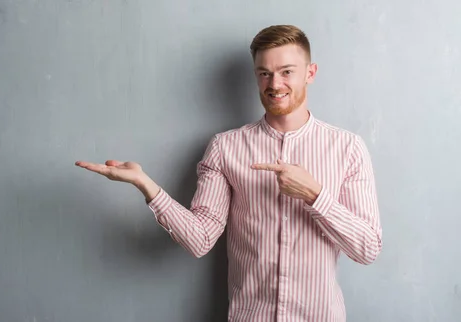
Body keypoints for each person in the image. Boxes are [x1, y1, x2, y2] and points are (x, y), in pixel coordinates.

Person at [75, 24, 382, 322]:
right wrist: (145, 184)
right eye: (265, 73)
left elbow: (368, 249)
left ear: (310, 73)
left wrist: (315, 196)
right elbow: (200, 240)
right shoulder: (226, 148)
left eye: (287, 71)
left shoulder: (347, 148)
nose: (275, 84)